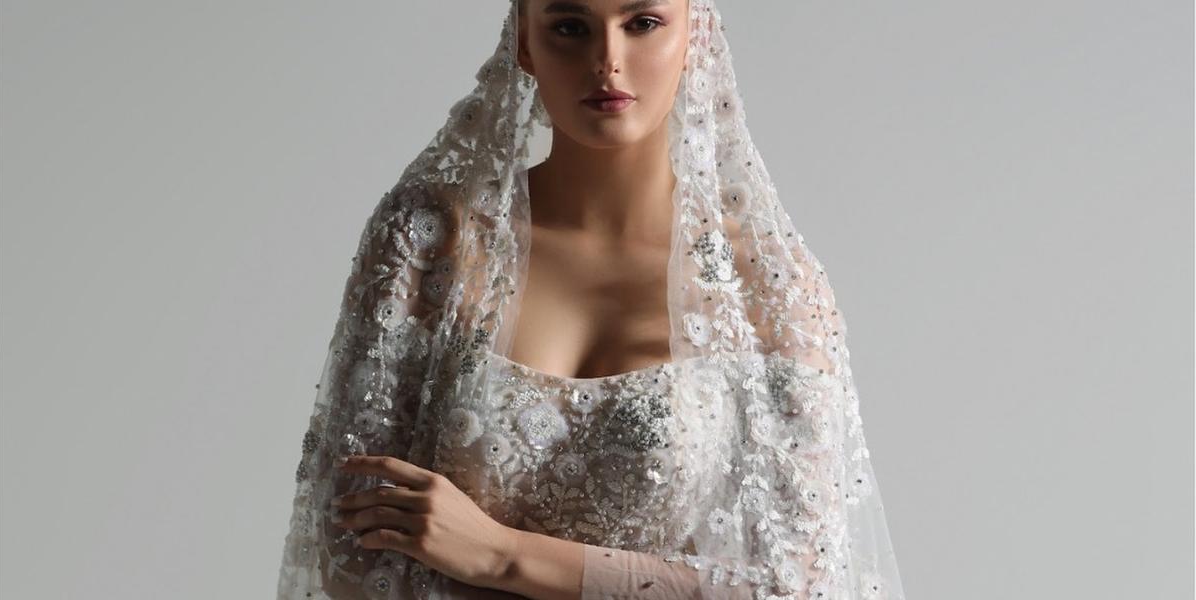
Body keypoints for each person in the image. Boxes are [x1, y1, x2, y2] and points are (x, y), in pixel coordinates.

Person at [276, 1, 907, 598]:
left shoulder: (764, 284)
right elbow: (351, 549)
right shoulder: (432, 243)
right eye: (570, 26)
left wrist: (502, 556)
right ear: (524, 41)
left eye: (643, 22)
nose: (607, 60)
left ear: (697, 33)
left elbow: (796, 584)